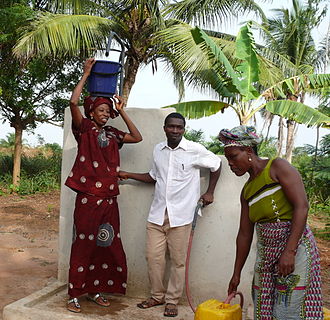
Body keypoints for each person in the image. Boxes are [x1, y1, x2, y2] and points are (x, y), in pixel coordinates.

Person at [119, 112, 221, 317]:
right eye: (171, 126)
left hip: (182, 216)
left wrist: (210, 192)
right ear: (164, 128)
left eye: (179, 127)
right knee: (153, 257)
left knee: (178, 261)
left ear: (184, 129)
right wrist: (128, 174)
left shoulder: (194, 150)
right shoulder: (158, 150)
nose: (175, 130)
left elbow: (217, 164)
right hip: (157, 214)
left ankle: (172, 301)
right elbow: (153, 177)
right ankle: (157, 296)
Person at [218, 125, 323, 320]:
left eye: (233, 156)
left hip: (294, 247)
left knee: (287, 306)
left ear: (249, 151)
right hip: (266, 254)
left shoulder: (277, 167)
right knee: (262, 302)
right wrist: (236, 274)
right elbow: (244, 234)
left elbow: (302, 206)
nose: (230, 163)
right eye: (228, 159)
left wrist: (289, 252)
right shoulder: (247, 192)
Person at [65, 58, 142, 313]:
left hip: (109, 198)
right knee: (84, 243)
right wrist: (86, 73)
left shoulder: (113, 134)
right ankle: (74, 293)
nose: (105, 114)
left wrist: (122, 111)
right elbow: (73, 102)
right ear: (91, 113)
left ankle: (96, 289)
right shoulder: (84, 129)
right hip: (88, 197)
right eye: (102, 111)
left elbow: (137, 136)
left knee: (105, 243)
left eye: (108, 112)